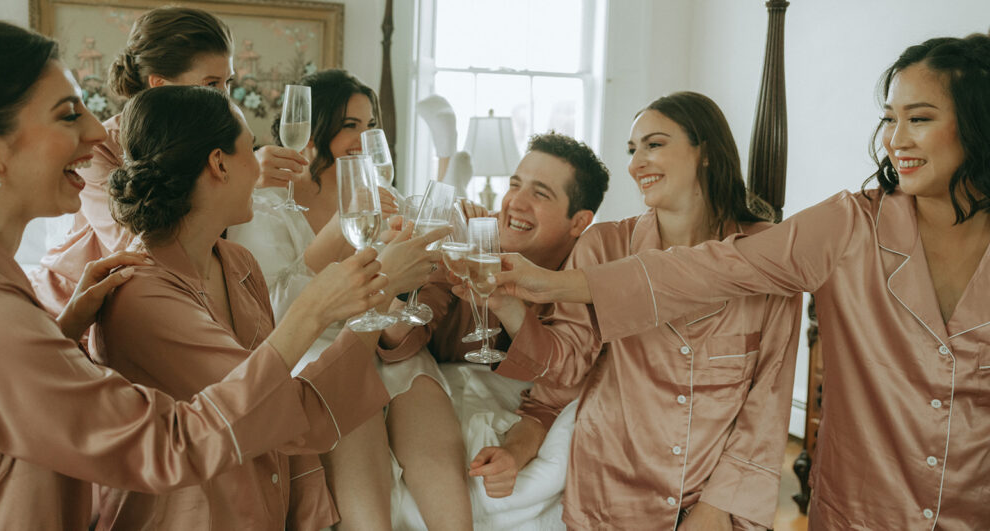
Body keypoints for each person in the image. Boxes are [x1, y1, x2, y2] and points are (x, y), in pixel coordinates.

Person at [494, 34, 990, 530]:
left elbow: (766, 405)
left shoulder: (777, 245)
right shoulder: (846, 228)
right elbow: (714, 269)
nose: (895, 139)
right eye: (889, 118)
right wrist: (548, 288)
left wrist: (716, 507)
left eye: (919, 118)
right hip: (854, 512)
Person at [0, 19, 388, 529]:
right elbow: (169, 445)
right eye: (67, 114)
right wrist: (320, 309)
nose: (100, 132)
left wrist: (65, 330)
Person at [89, 85, 421, 530]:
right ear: (219, 164)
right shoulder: (142, 296)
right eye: (252, 148)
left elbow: (281, 417)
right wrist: (379, 290)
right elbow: (289, 414)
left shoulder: (237, 262)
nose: (264, 163)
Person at [478, 93, 801, 530]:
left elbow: (768, 404)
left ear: (704, 151)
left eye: (653, 144)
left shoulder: (767, 257)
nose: (636, 164)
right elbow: (566, 367)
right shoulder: (603, 247)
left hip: (717, 502)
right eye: (633, 150)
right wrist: (506, 303)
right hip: (611, 496)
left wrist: (715, 510)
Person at [227, 68, 464, 531]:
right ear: (314, 130)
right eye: (350, 125)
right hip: (309, 339)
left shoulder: (384, 194)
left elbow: (413, 277)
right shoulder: (262, 200)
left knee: (417, 381)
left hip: (376, 331)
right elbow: (272, 309)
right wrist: (341, 228)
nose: (365, 137)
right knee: (351, 399)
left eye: (371, 125)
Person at [378, 133, 611, 515]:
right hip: (421, 396)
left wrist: (514, 454)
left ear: (579, 222)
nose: (514, 203)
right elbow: (398, 343)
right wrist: (405, 280)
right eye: (514, 185)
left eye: (540, 194)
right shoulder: (468, 238)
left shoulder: (582, 277)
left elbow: (559, 391)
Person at [32, 6, 303, 314]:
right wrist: (241, 178)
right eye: (212, 84)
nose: (225, 98)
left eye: (228, 83)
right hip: (79, 308)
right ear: (159, 86)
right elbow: (141, 245)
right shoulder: (99, 149)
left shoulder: (221, 146)